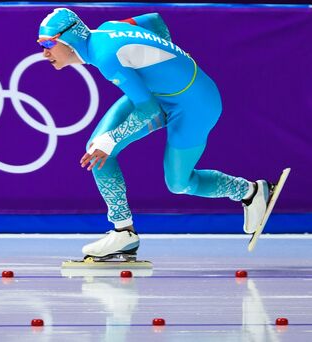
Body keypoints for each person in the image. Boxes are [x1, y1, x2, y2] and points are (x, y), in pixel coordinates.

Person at [37, 8, 273, 260]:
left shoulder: (105, 56)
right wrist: (168, 61)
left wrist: (112, 139)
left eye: (49, 43)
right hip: (159, 95)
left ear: (70, 38)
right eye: (41, 44)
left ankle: (250, 192)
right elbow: (153, 19)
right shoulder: (107, 27)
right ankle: (123, 232)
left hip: (196, 104)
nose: (44, 52)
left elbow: (148, 109)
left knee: (179, 183)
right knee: (98, 149)